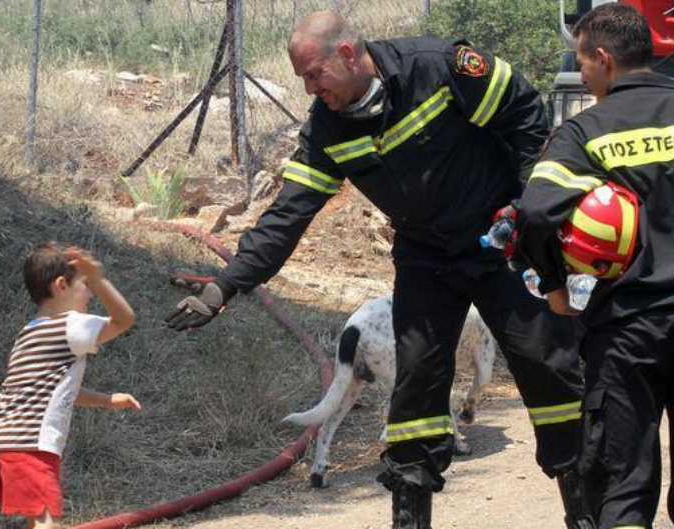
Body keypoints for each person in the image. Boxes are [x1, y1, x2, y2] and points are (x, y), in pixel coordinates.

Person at [166, 11, 593, 529]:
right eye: (301, 77)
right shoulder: (327, 126)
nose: (308, 88)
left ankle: (589, 511)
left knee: (550, 371)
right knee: (415, 398)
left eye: (313, 73)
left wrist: (529, 210)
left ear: (348, 54)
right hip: (425, 259)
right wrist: (226, 286)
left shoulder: (439, 66)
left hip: (500, 245)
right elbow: (289, 212)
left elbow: (527, 115)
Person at [517, 4, 674, 528]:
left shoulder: (586, 131)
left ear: (604, 59)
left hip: (627, 333)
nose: (582, 75)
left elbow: (534, 213)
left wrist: (555, 289)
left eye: (582, 64)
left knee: (622, 493)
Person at [0, 243, 140, 529]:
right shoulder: (70, 325)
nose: (91, 294)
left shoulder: (29, 332)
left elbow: (55, 393)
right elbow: (125, 319)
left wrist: (105, 400)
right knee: (45, 522)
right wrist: (100, 278)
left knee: (37, 519)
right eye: (86, 285)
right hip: (28, 442)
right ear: (62, 285)